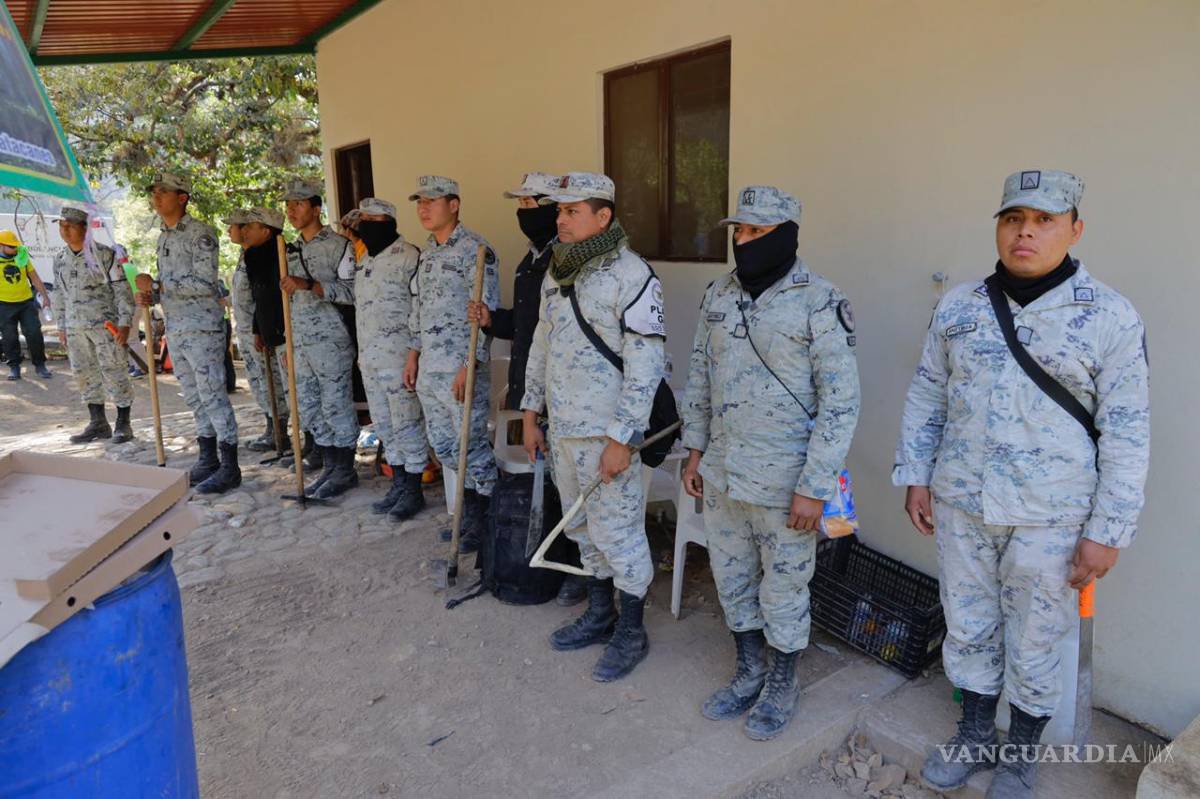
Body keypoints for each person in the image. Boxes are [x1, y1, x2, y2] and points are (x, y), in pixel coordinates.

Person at [893, 170, 1150, 799]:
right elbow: (928, 393)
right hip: (962, 504)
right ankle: (976, 733)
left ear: (1074, 229)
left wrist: (1108, 532)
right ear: (999, 227)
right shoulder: (959, 306)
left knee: (1037, 640)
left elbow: (1128, 433)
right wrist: (915, 475)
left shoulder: (1110, 316)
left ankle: (1018, 754)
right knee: (970, 624)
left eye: (1043, 221)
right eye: (1013, 220)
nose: (1025, 232)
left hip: (1052, 518)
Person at [681, 186, 861, 740]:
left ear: (787, 234)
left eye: (757, 232)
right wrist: (694, 451)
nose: (744, 241)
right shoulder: (718, 293)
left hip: (787, 485)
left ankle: (783, 682)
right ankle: (749, 670)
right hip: (723, 474)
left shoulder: (820, 301)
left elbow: (841, 402)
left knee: (783, 588)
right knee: (732, 579)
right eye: (740, 230)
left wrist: (815, 486)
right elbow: (698, 378)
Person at [521, 172, 666, 682]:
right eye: (558, 211)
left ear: (603, 217)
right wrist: (530, 413)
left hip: (607, 436)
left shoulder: (634, 276)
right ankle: (600, 612)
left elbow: (647, 366)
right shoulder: (556, 271)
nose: (559, 219)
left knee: (619, 533)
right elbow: (542, 343)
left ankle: (631, 631)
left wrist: (622, 439)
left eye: (572, 211)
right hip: (562, 429)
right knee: (582, 528)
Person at [467, 171, 586, 605]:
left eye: (530, 205)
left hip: (558, 392)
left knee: (565, 481)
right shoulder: (531, 257)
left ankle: (577, 567)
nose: (523, 213)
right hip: (525, 386)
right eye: (518, 206)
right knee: (528, 469)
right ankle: (535, 551)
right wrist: (491, 320)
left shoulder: (568, 258)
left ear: (554, 206)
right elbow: (525, 323)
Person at [404, 175, 500, 552]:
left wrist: (468, 365)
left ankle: (484, 519)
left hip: (462, 370)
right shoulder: (427, 253)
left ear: (454, 204)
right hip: (430, 369)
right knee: (444, 447)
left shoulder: (476, 250)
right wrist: (413, 355)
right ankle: (471, 513)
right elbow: (418, 310)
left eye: (432, 200)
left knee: (471, 446)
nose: (423, 208)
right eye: (419, 202)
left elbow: (485, 315)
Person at [135, 172, 240, 494]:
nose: (157, 197)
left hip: (202, 328)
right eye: (154, 192)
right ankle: (208, 458)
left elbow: (205, 283)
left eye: (164, 192)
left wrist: (158, 285)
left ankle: (230, 466)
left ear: (182, 197)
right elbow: (171, 288)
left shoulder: (200, 233)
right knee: (194, 398)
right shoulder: (164, 236)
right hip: (178, 327)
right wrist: (150, 295)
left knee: (212, 395)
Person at [281, 178, 359, 499]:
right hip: (300, 342)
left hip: (331, 340)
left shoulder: (340, 246)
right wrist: (289, 342)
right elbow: (287, 302)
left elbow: (354, 293)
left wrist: (312, 285)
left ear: (316, 208)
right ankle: (329, 464)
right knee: (309, 408)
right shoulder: (289, 249)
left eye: (298, 204)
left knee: (336, 405)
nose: (292, 210)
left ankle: (345, 469)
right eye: (288, 205)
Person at [351, 198, 428, 521]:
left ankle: (414, 489)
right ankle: (398, 482)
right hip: (370, 359)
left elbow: (420, 308)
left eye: (372, 219)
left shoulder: (409, 256)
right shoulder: (364, 258)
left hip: (399, 359)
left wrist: (415, 354)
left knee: (407, 424)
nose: (365, 224)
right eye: (362, 219)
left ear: (389, 222)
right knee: (384, 424)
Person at [52, 203, 136, 443]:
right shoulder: (59, 259)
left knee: (115, 371)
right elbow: (59, 294)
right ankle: (98, 422)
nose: (65, 230)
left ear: (84, 229)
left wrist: (125, 323)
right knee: (84, 374)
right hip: (75, 328)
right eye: (61, 225)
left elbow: (122, 291)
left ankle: (123, 423)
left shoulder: (105, 255)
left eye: (70, 226)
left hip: (105, 328)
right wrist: (61, 326)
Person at [226, 209, 289, 452]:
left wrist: (259, 328)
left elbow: (262, 297)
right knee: (259, 382)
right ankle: (271, 428)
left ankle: (279, 431)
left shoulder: (265, 256)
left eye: (235, 226)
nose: (232, 231)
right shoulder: (247, 257)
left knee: (270, 380)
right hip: (247, 329)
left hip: (262, 329)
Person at [0, 229, 53, 380]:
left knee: (34, 333)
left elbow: (34, 277)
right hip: (3, 305)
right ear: (1, 245)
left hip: (25, 303)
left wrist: (45, 297)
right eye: (11, 246)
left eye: (15, 246)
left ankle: (40, 365)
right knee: (9, 337)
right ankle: (14, 367)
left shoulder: (22, 256)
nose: (14, 249)